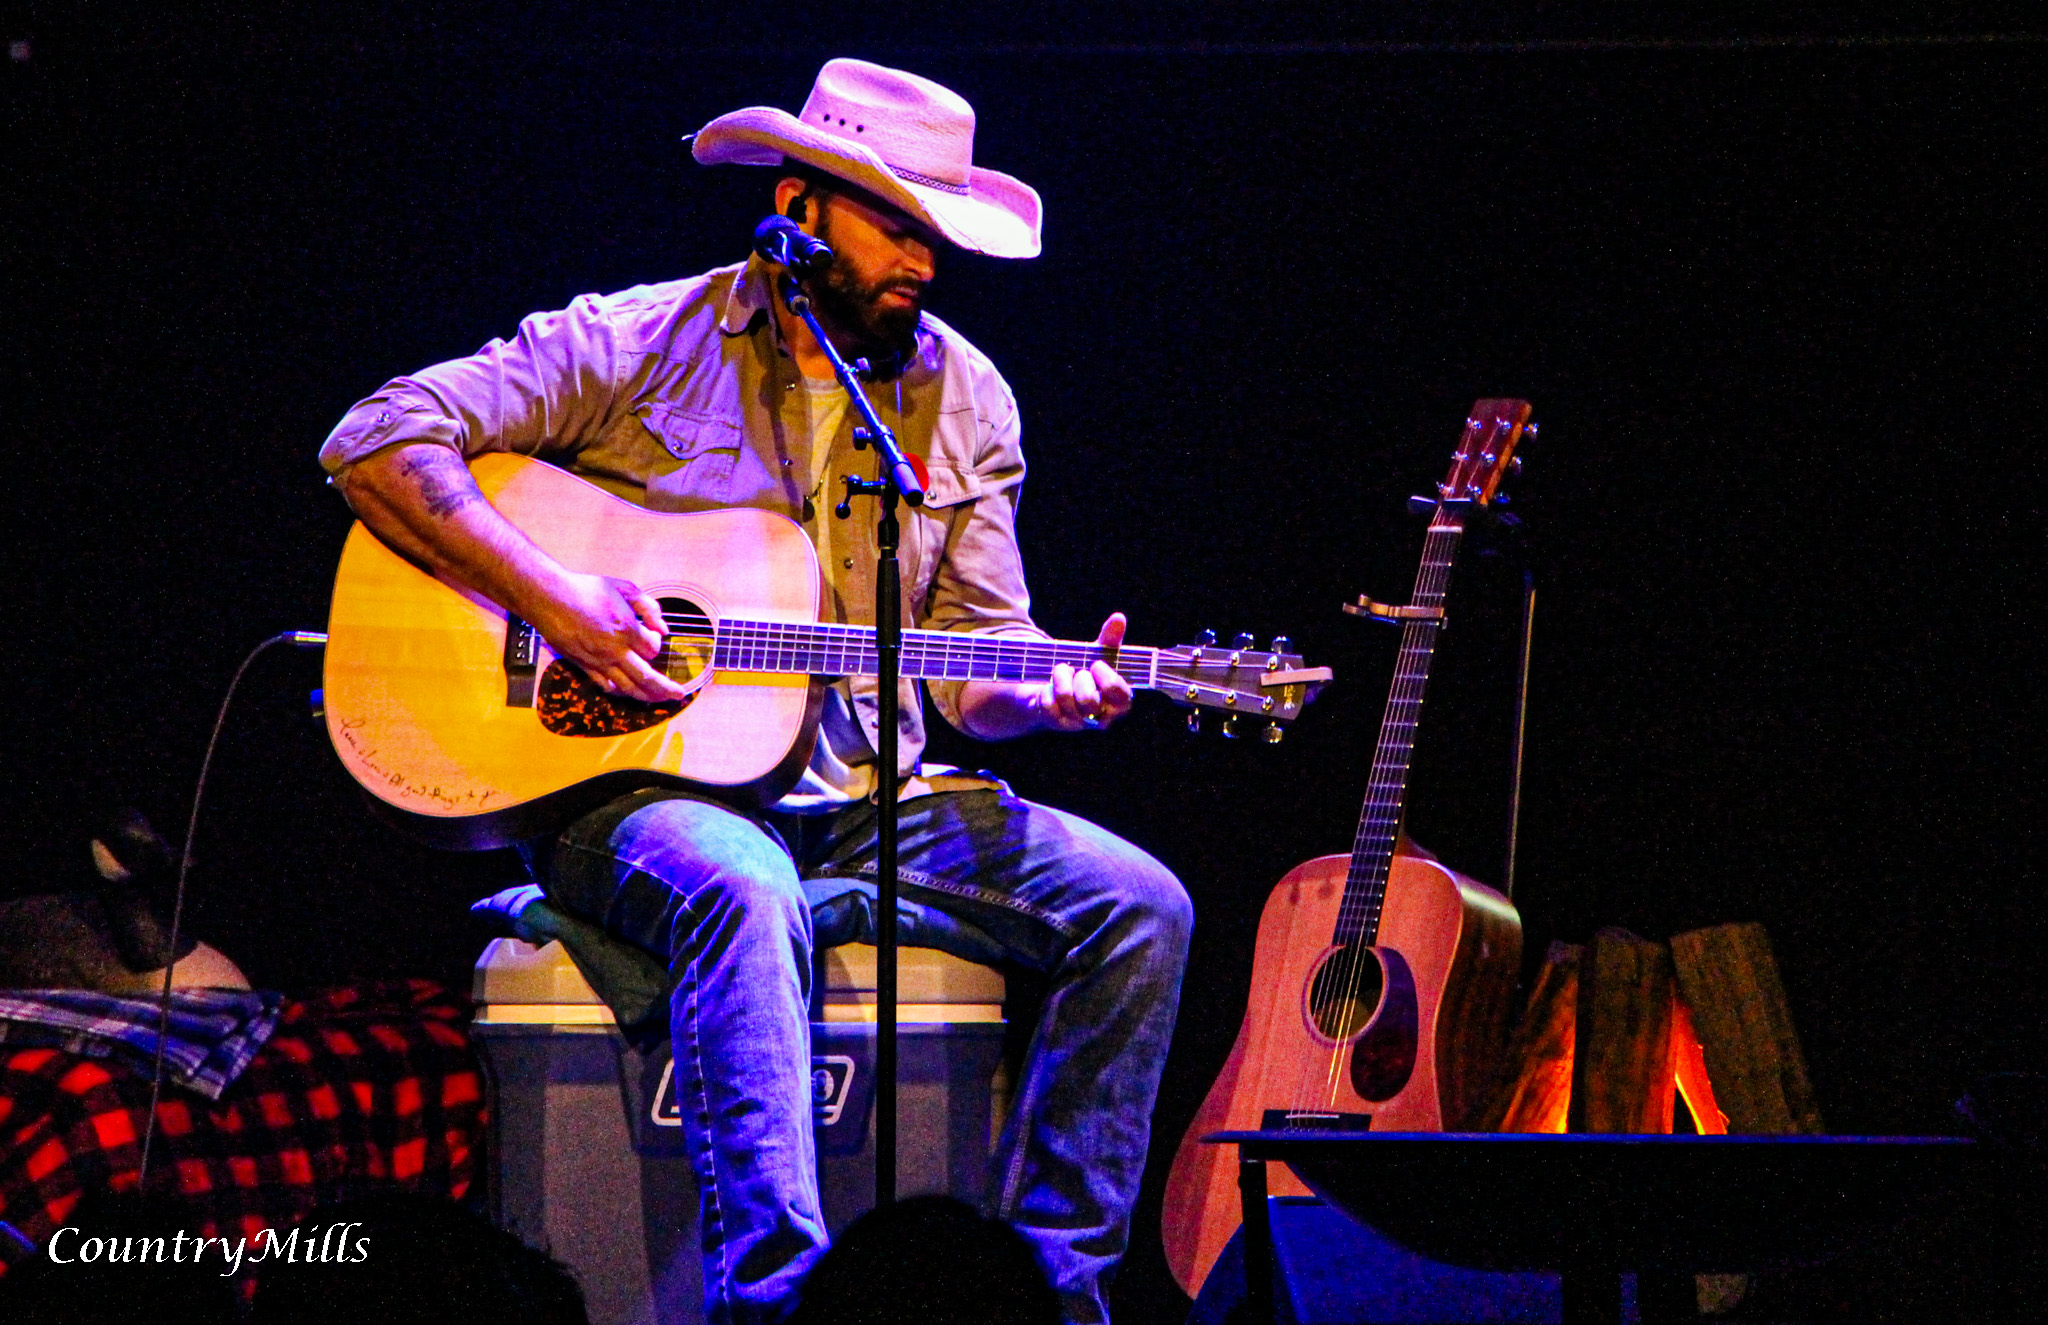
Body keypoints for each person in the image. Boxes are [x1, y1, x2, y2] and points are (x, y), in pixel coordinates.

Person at [317, 59, 1191, 1325]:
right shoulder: (638, 341)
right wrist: (559, 601)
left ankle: (1053, 1294)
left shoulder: (965, 397)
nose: (924, 261)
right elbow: (375, 437)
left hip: (875, 796)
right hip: (639, 792)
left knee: (1141, 905)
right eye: (895, 223)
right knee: (742, 884)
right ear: (796, 207)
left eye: (937, 233)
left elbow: (974, 667)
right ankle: (778, 1301)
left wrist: (1046, 695)